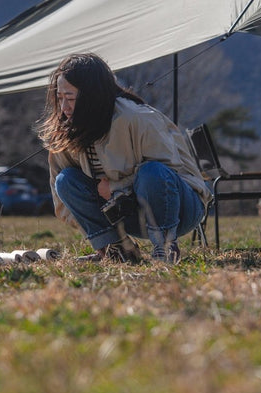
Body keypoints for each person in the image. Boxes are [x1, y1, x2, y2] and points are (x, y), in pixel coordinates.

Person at [37, 53, 210, 264]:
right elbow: (60, 192)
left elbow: (167, 173)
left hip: (181, 208)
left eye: (71, 98)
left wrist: (116, 188)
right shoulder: (66, 128)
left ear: (92, 96)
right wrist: (95, 228)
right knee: (66, 180)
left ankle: (165, 247)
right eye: (60, 97)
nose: (64, 108)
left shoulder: (137, 118)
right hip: (125, 214)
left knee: (152, 171)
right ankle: (116, 250)